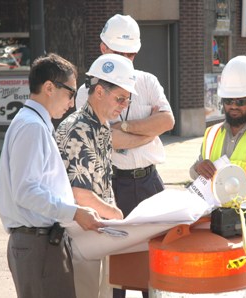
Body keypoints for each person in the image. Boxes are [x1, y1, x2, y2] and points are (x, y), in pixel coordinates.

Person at [76, 15, 175, 298]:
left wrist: (126, 128)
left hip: (149, 183)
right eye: (119, 53)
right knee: (115, 269)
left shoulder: (147, 82)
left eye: (130, 54)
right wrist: (147, 133)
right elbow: (108, 139)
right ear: (103, 49)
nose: (125, 59)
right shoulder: (88, 93)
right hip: (111, 187)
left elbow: (167, 121)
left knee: (154, 267)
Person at [0, 53, 104, 298]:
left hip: (43, 241)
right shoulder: (32, 127)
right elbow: (26, 191)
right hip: (38, 243)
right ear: (49, 88)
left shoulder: (33, 123)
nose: (72, 102)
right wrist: (75, 212)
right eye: (70, 93)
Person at [55, 53, 138, 298]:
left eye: (127, 101)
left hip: (96, 233)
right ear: (99, 91)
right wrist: (116, 214)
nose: (124, 107)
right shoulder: (79, 128)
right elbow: (79, 194)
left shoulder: (99, 125)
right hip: (80, 236)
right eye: (120, 98)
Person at [189, 55, 246, 295]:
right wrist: (198, 168)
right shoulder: (211, 134)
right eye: (228, 99)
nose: (233, 105)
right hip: (214, 235)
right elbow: (195, 170)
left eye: (241, 100)